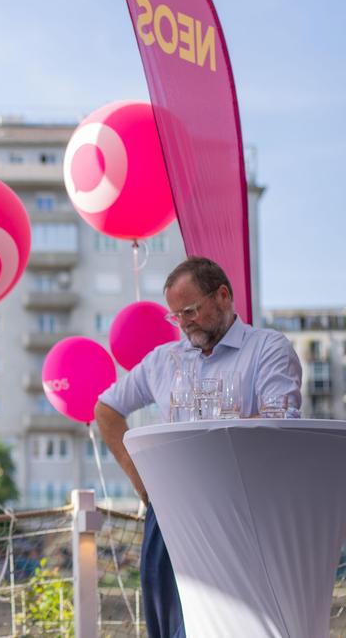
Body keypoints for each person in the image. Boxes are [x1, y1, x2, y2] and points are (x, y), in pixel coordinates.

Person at [95, 256, 302, 638]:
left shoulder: (268, 349)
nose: (184, 322)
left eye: (190, 310)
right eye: (176, 316)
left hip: (240, 513)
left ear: (223, 296)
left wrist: (229, 431)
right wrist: (142, 482)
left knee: (232, 626)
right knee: (168, 627)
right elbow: (106, 409)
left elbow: (281, 424)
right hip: (169, 512)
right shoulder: (164, 360)